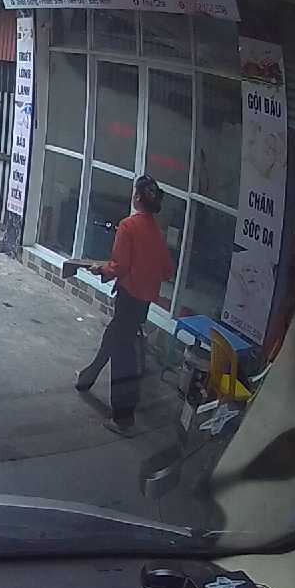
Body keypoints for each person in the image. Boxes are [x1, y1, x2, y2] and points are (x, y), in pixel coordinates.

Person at [74, 175, 175, 435]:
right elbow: (167, 270)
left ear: (137, 197)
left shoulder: (128, 226)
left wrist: (101, 269)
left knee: (123, 356)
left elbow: (119, 266)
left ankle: (124, 418)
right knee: (114, 336)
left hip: (129, 297)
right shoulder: (156, 231)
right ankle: (87, 377)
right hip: (144, 301)